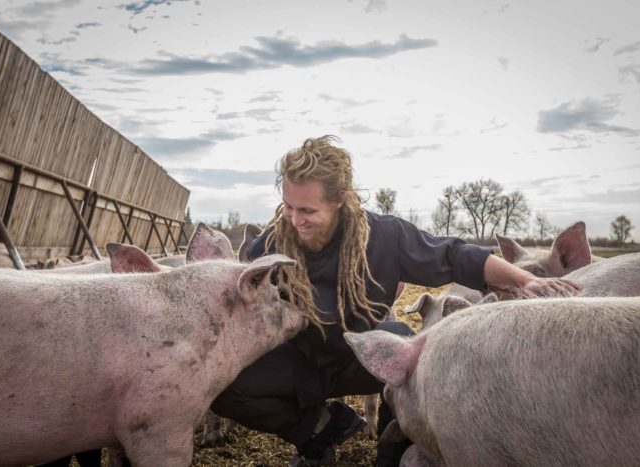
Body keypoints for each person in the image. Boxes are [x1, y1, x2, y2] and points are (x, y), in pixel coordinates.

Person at [210, 135, 579, 466]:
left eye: (307, 210)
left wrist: (524, 278)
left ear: (340, 201)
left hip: (358, 353)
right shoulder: (273, 243)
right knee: (223, 388)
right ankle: (319, 433)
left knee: (407, 351)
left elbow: (454, 255)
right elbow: (235, 292)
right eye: (288, 206)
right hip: (297, 360)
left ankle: (391, 451)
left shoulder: (384, 236)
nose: (294, 220)